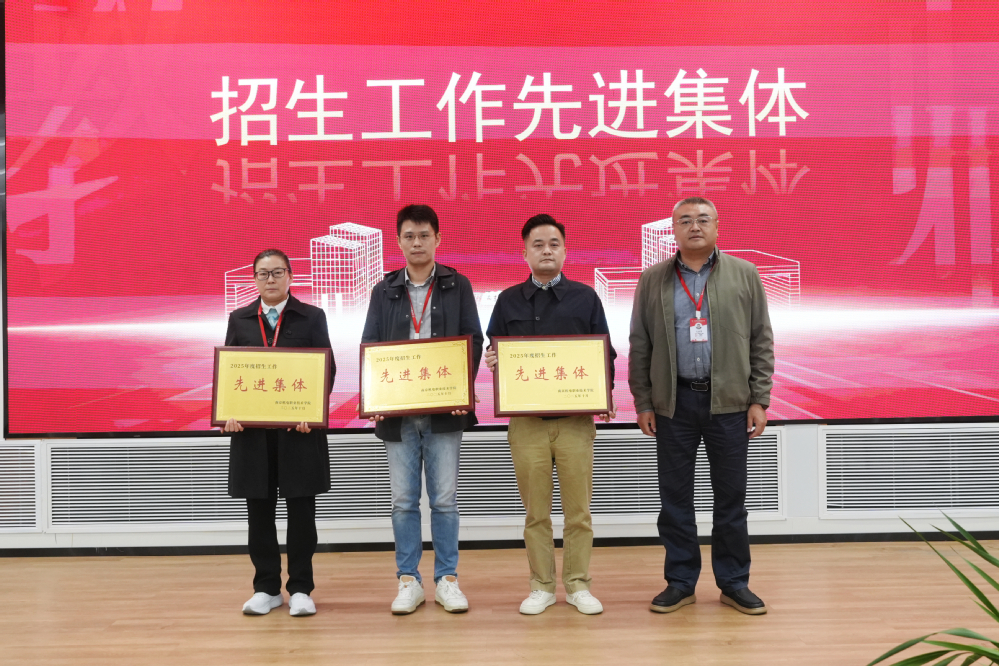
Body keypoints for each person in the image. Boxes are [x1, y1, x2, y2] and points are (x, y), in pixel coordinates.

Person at [628, 197, 774, 616]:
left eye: (703, 219)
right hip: (673, 404)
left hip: (729, 403)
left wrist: (759, 399)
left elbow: (761, 339)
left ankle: (734, 583)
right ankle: (680, 582)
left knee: (731, 500)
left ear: (716, 226)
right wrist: (644, 401)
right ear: (673, 229)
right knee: (675, 501)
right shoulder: (653, 279)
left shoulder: (744, 274)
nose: (695, 226)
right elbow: (640, 344)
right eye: (685, 220)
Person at [484, 213, 617, 616]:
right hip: (526, 425)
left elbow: (604, 353)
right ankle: (541, 586)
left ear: (565, 250)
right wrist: (493, 360)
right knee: (535, 513)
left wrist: (605, 395)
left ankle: (577, 585)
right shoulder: (507, 300)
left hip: (575, 423)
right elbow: (496, 350)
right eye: (538, 244)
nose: (546, 251)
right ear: (524, 252)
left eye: (554, 244)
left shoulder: (586, 297)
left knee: (579, 513)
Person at [361, 204, 483, 615]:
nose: (417, 243)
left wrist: (460, 390)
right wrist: (374, 396)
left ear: (437, 239)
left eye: (424, 235)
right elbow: (371, 345)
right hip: (398, 414)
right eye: (409, 236)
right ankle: (408, 580)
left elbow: (472, 339)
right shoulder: (383, 290)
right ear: (398, 242)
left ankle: (447, 579)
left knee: (445, 499)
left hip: (443, 413)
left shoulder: (457, 284)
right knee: (403, 501)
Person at [223, 249, 336, 617]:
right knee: (259, 513)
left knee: (302, 513)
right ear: (254, 279)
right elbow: (230, 375)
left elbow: (327, 370)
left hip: (297, 433)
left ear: (290, 276)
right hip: (253, 437)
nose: (270, 279)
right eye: (263, 273)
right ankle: (266, 588)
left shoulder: (311, 317)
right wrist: (229, 414)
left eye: (277, 272)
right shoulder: (239, 319)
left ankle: (301, 588)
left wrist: (311, 412)